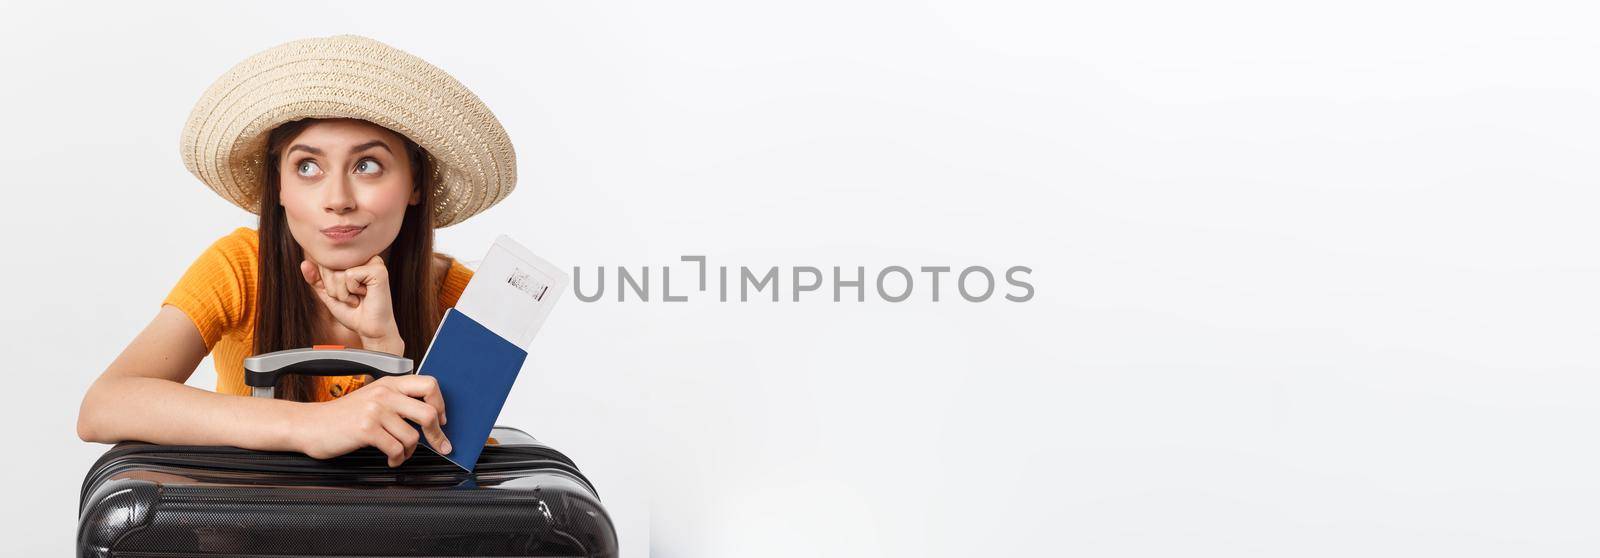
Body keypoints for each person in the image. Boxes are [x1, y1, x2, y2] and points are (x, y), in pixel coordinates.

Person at [76, 35, 519, 468]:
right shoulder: (240, 267)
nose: (337, 198)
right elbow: (103, 407)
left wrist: (385, 350)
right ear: (279, 187)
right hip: (252, 533)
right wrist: (310, 425)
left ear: (415, 184)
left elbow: (448, 478)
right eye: (308, 167)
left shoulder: (465, 298)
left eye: (367, 165)